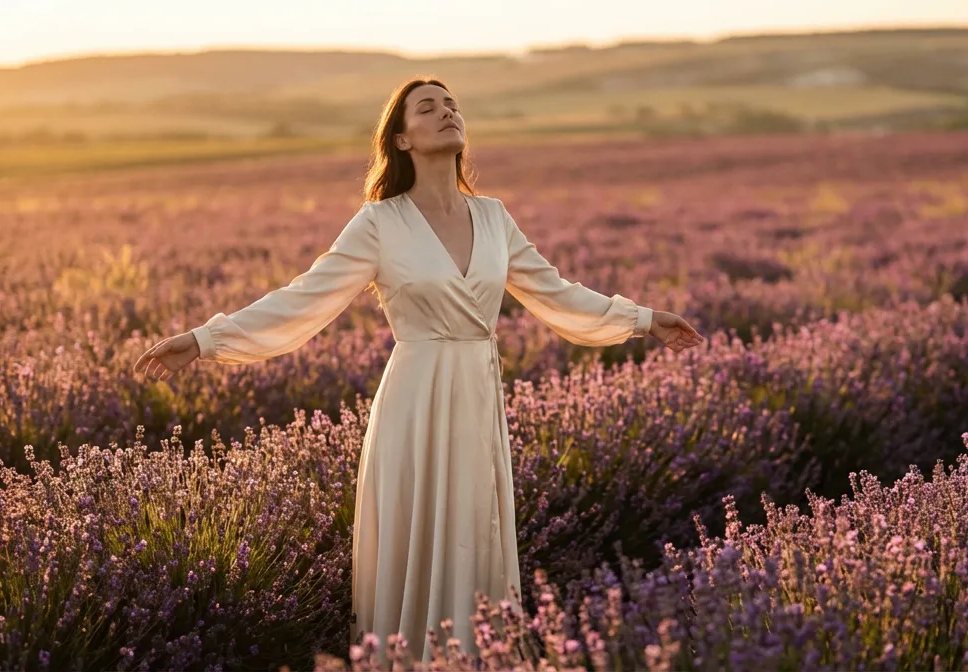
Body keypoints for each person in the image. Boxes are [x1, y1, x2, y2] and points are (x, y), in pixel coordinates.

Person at [131, 77, 706, 666]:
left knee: (472, 534)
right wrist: (205, 339)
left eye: (452, 105)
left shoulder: (494, 216)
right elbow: (305, 296)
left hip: (477, 395)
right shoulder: (380, 222)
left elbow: (556, 292)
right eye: (426, 108)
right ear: (402, 139)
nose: (446, 113)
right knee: (418, 540)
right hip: (415, 396)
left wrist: (643, 319)